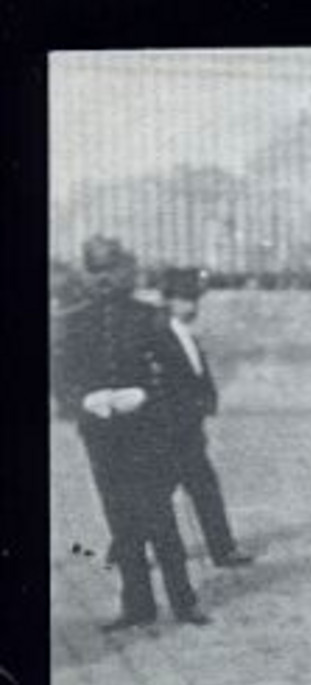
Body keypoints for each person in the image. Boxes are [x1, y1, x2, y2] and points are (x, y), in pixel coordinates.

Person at [52, 236, 209, 630]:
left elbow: (181, 380)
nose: (104, 280)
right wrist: (84, 401)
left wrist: (144, 396)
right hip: (101, 434)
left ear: (124, 272)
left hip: (148, 432)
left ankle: (183, 601)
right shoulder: (72, 322)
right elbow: (60, 378)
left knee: (160, 516)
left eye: (110, 271)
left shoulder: (150, 318)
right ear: (87, 275)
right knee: (120, 518)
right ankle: (137, 605)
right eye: (96, 272)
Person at [151, 267, 255, 568]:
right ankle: (124, 550)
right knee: (158, 492)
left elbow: (197, 375)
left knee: (200, 488)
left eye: (194, 299)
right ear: (168, 300)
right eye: (185, 299)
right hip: (170, 431)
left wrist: (206, 401)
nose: (192, 306)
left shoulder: (187, 336)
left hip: (189, 430)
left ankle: (222, 550)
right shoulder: (159, 335)